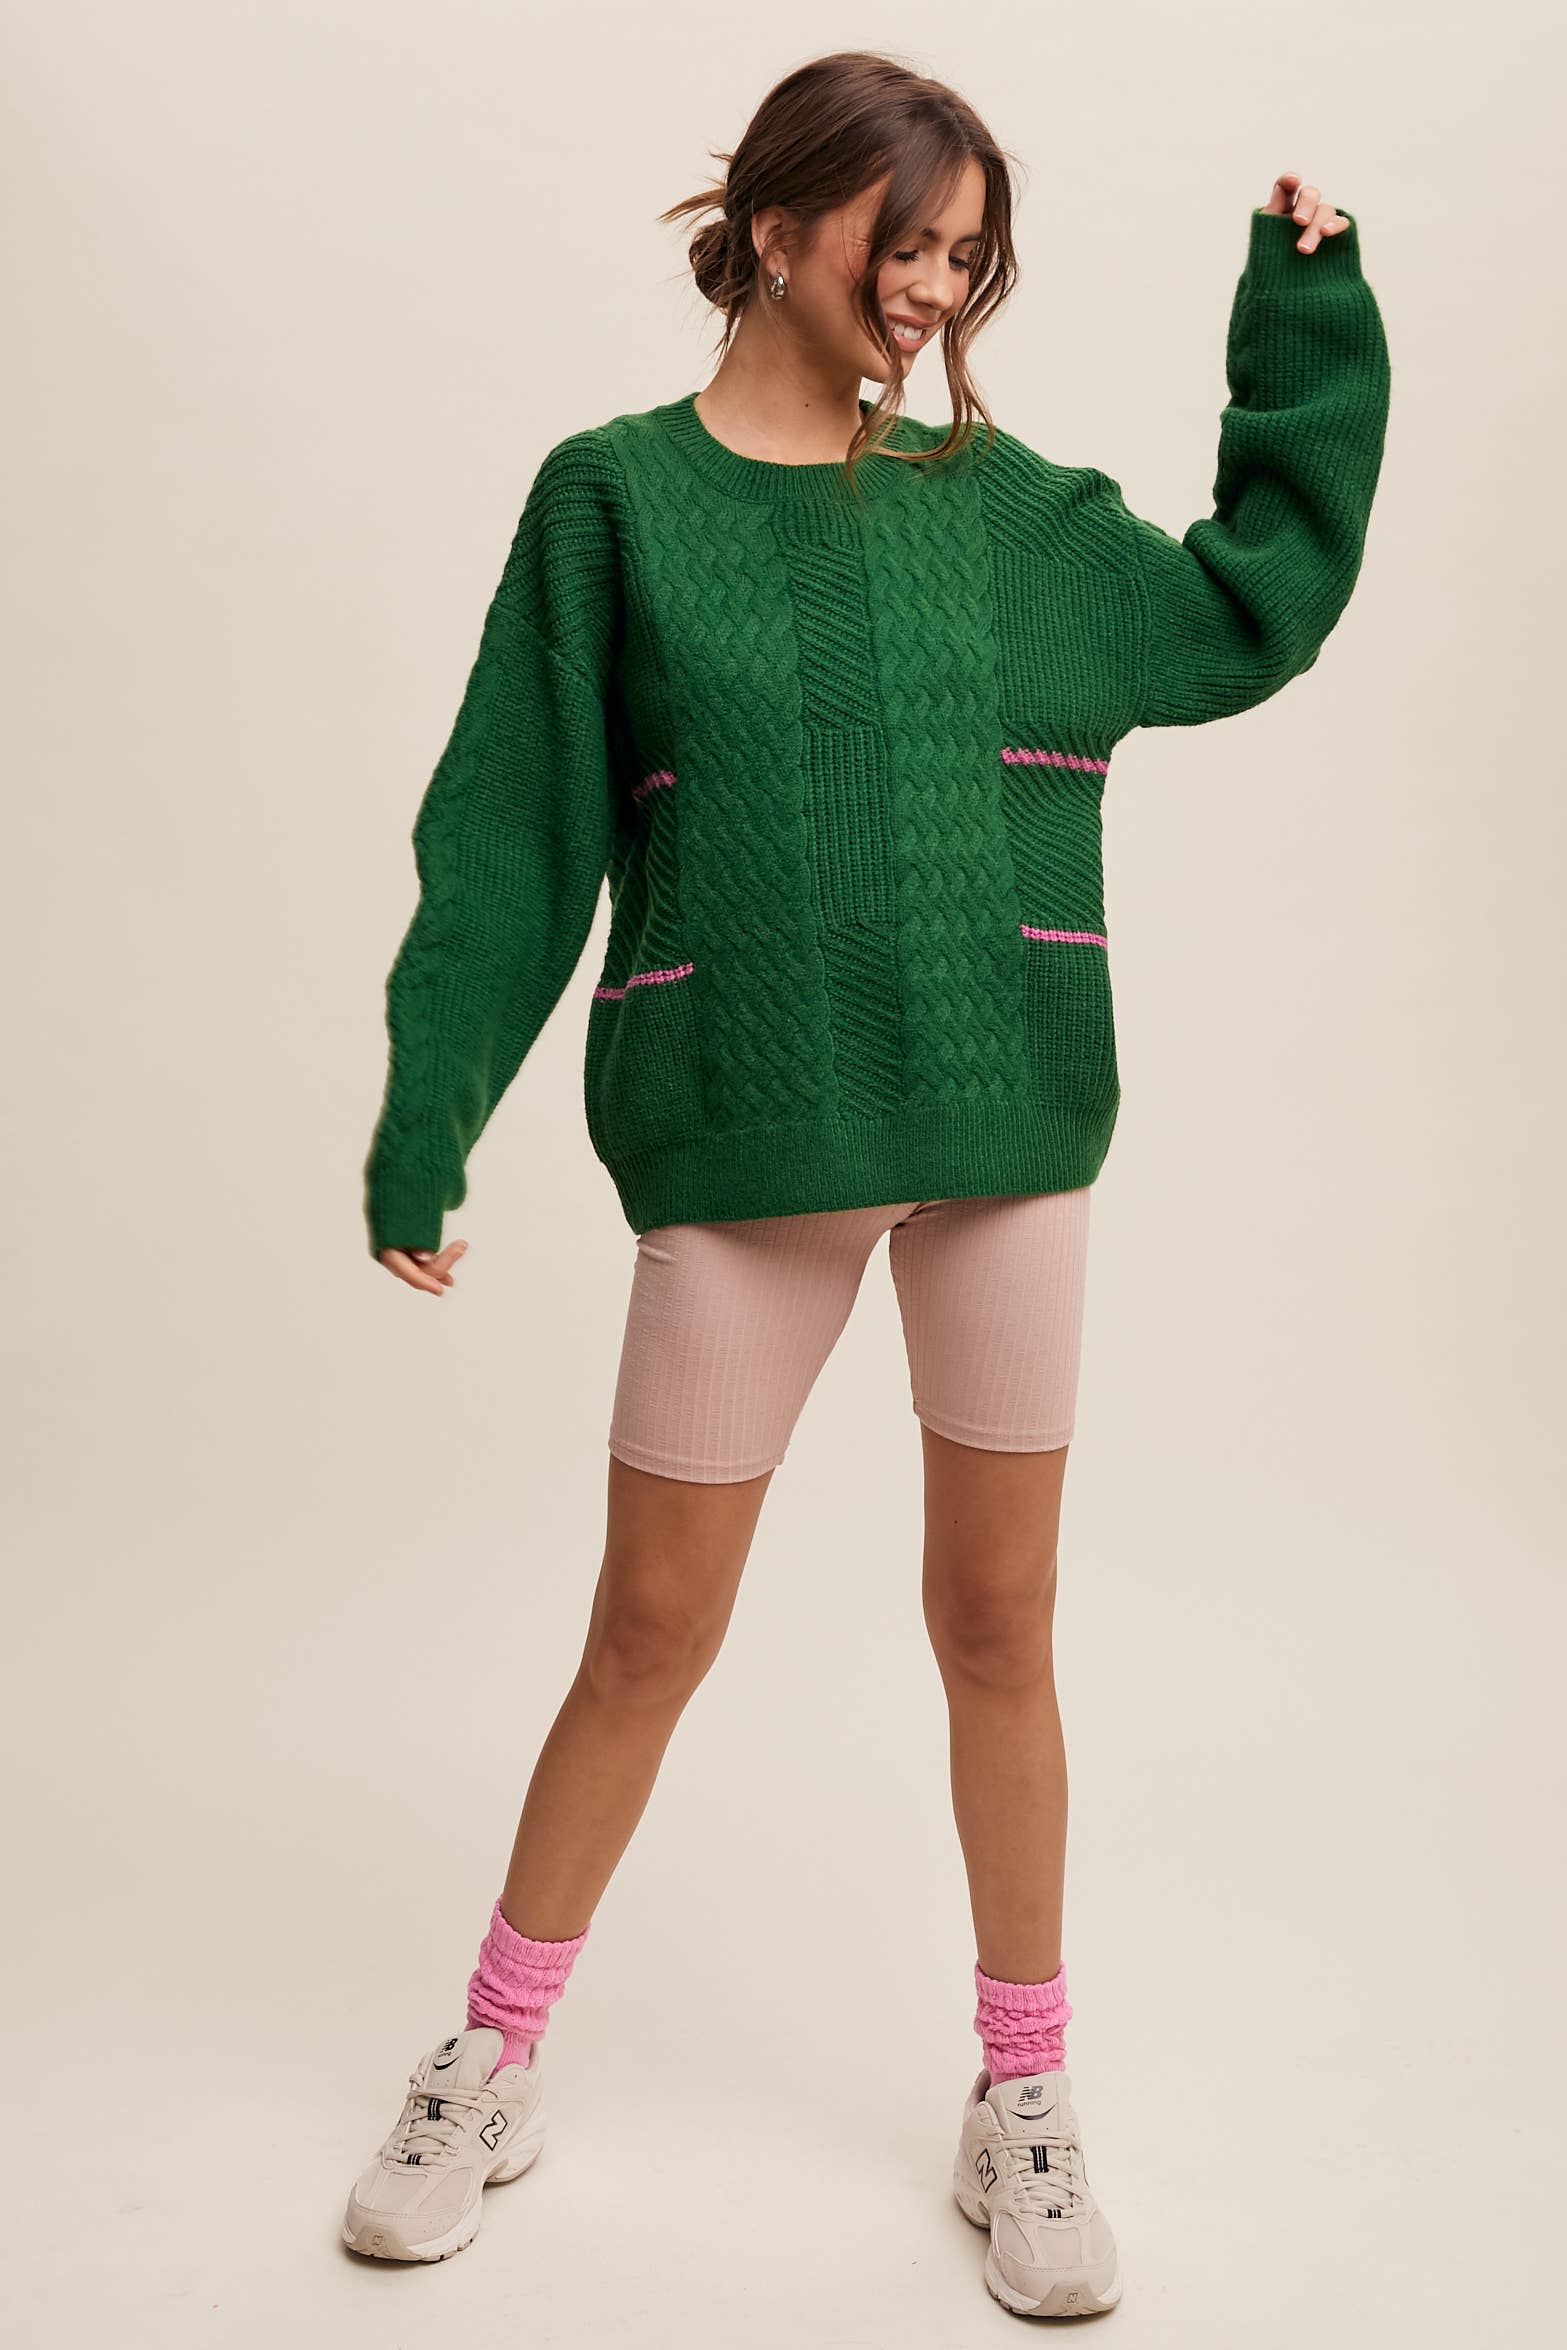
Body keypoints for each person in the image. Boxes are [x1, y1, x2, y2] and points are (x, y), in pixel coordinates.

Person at [342, 48, 1390, 2314]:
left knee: (1000, 1625)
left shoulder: (1003, 510)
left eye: (966, 256)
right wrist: (433, 1104)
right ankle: (489, 2055)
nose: (933, 289)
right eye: (905, 242)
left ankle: (1025, 2094)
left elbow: (1249, 607)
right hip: (749, 1128)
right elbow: (514, 823)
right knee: (648, 1632)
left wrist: (1302, 326)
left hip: (1007, 1127)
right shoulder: (613, 500)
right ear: (780, 226)